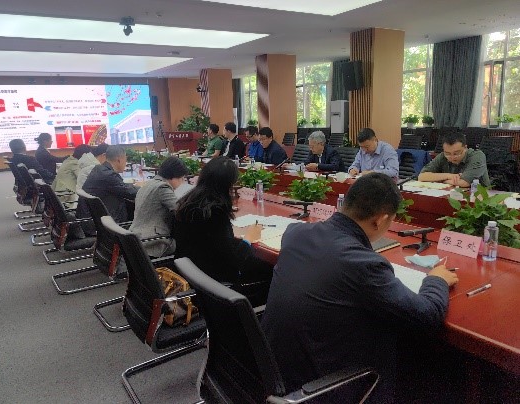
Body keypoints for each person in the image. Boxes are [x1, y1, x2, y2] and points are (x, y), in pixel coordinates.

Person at [261, 173, 458, 403]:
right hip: (320, 389)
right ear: (380, 220)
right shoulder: (363, 264)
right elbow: (427, 314)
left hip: (272, 372)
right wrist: (436, 280)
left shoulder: (295, 233)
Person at [174, 156, 273, 306]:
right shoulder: (215, 212)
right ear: (227, 185)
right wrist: (248, 238)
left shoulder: (188, 202)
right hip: (217, 285)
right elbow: (234, 260)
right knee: (272, 269)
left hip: (195, 277)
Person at [130, 157, 189, 258]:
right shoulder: (162, 187)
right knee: (189, 244)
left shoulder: (148, 184)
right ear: (174, 176)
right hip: (154, 243)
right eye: (182, 178)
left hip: (136, 238)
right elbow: (180, 211)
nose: (182, 182)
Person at [80, 145, 137, 223]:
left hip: (93, 220)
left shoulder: (99, 169)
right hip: (108, 224)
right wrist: (146, 187)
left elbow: (121, 187)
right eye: (125, 159)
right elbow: (130, 192)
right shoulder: (108, 175)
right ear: (119, 160)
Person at [418, 132, 490, 187]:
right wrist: (448, 176)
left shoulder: (477, 156)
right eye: (448, 153)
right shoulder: (442, 156)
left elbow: (464, 183)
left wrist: (438, 179)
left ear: (465, 148)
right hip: (450, 193)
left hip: (478, 197)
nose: (452, 157)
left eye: (456, 153)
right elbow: (422, 177)